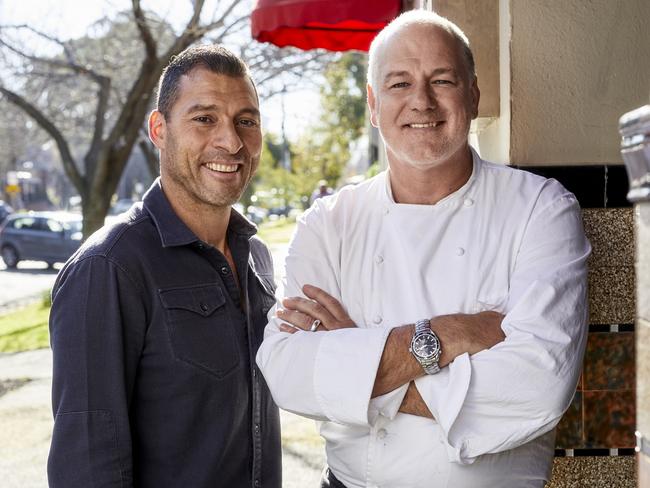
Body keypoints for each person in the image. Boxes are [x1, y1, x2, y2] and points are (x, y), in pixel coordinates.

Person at [256, 10, 590, 488]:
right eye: (398, 84)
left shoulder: (541, 208)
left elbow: (539, 387)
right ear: (373, 105)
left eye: (442, 80)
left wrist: (356, 362)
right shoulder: (328, 223)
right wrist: (449, 334)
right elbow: (287, 370)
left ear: (472, 96)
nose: (421, 102)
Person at [48, 45, 281, 487]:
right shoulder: (109, 268)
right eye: (204, 118)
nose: (231, 141)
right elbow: (86, 469)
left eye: (246, 121)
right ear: (159, 129)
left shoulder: (259, 259)